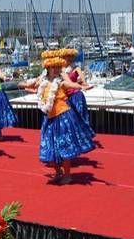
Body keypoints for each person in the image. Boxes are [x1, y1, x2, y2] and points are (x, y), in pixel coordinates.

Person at [22, 56, 96, 184]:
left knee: (63, 146)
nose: (56, 70)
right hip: (49, 118)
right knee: (48, 148)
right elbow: (29, 85)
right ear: (48, 68)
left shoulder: (61, 82)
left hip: (63, 117)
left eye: (58, 67)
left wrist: (81, 86)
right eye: (53, 67)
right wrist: (22, 84)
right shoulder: (42, 82)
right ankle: (58, 171)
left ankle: (68, 175)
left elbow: (71, 84)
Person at [59, 48, 94, 131]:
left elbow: (82, 80)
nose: (70, 58)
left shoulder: (76, 68)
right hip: (64, 98)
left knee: (78, 117)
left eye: (72, 56)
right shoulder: (60, 70)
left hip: (75, 96)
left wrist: (84, 84)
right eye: (68, 56)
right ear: (64, 57)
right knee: (67, 120)